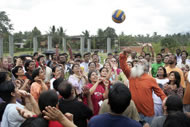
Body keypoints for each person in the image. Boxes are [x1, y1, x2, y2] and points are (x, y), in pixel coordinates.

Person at [119, 49, 166, 124]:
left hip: (148, 114)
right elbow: (123, 65)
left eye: (141, 62)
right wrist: (124, 54)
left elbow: (160, 93)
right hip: (134, 112)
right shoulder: (131, 74)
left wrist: (165, 101)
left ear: (145, 67)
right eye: (138, 61)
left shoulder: (150, 79)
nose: (138, 63)